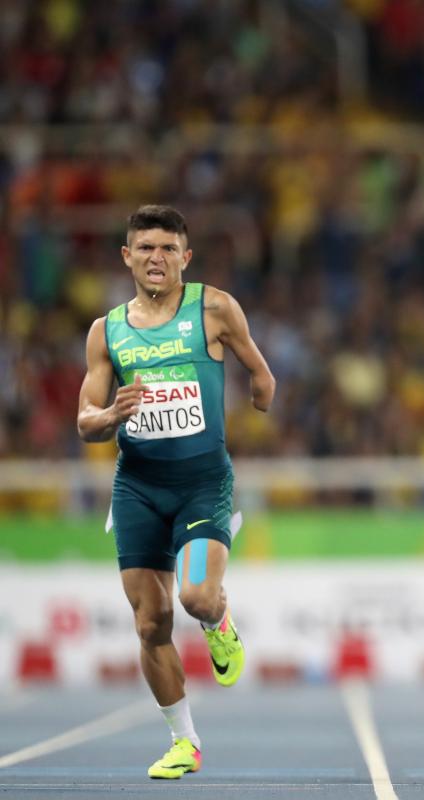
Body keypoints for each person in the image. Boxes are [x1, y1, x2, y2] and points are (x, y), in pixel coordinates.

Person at [77, 205, 275, 780]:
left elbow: (261, 375)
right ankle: (184, 742)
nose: (156, 259)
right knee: (149, 622)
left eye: (168, 249)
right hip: (136, 486)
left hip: (202, 483)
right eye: (145, 249)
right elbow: (85, 421)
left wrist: (260, 401)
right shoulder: (105, 331)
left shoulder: (213, 308)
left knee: (195, 598)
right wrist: (112, 412)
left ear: (186, 257)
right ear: (127, 257)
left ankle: (220, 623)